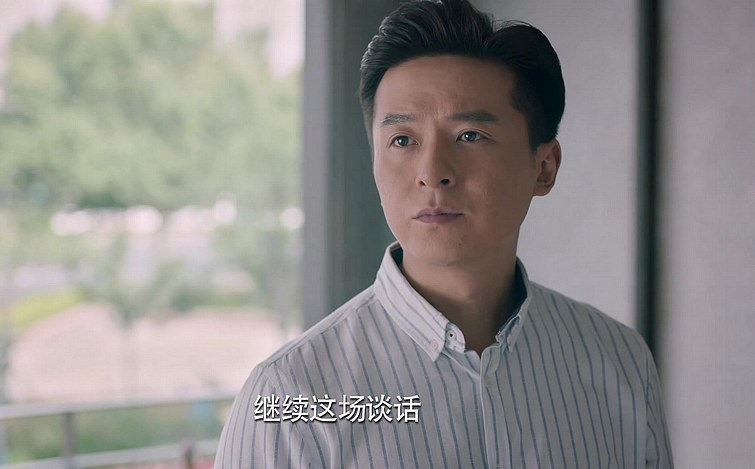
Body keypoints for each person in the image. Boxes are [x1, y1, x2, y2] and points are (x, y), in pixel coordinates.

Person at [215, 0, 673, 467]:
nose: (432, 173)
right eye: (402, 140)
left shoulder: (619, 361)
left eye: (469, 135)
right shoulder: (291, 400)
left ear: (544, 167)